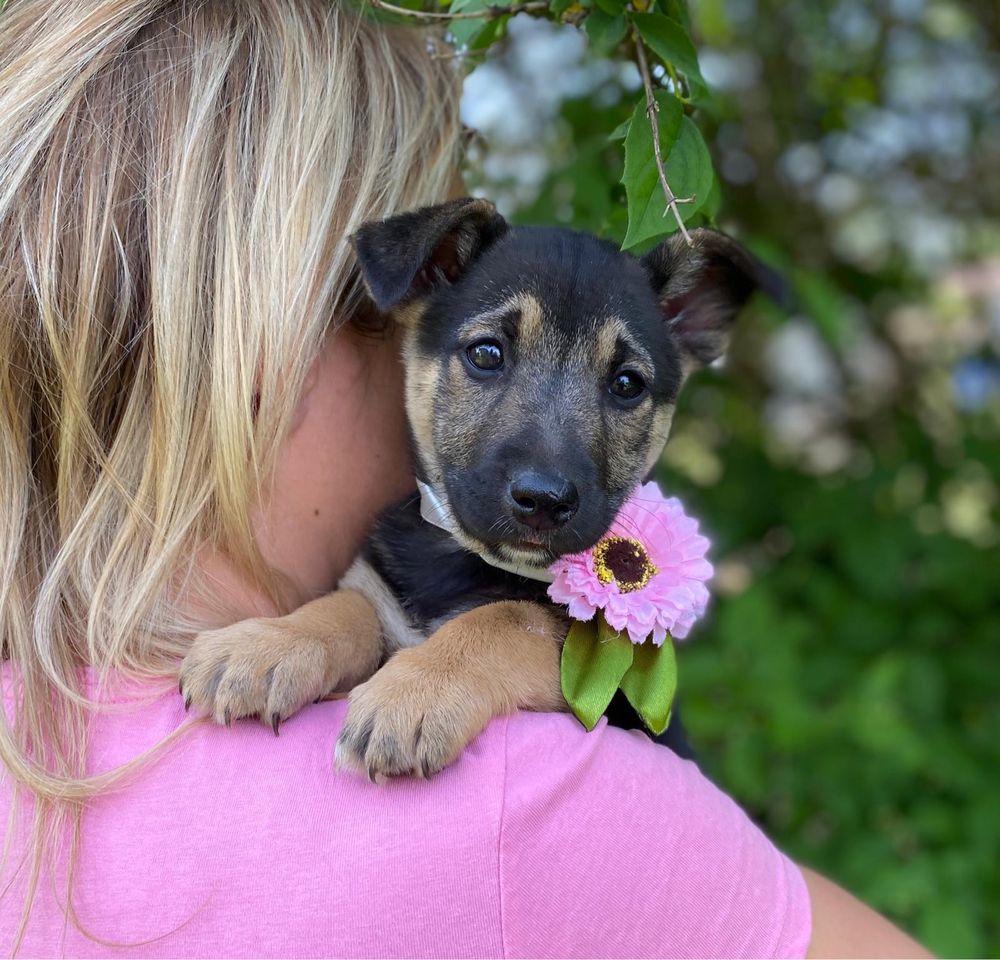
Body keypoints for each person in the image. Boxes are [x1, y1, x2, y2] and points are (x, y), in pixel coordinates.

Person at [0, 1, 932, 956]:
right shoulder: (496, 772)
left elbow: (563, 658)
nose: (548, 461)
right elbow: (373, 610)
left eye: (621, 386)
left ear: (688, 344)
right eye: (490, 358)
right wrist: (326, 633)